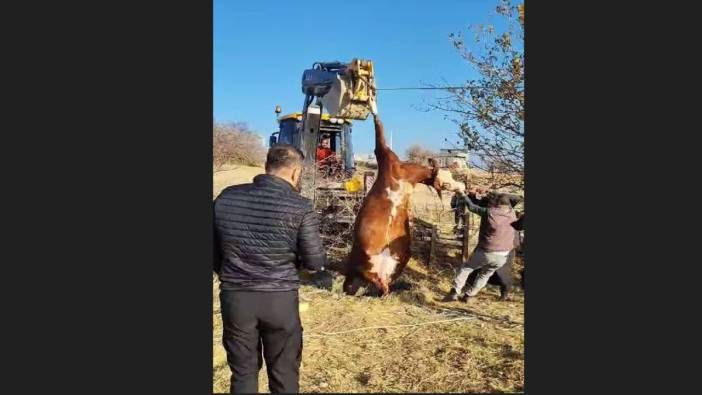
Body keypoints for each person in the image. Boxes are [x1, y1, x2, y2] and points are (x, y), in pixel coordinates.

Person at [214, 144, 326, 394]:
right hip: (280, 300)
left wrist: (230, 274)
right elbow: (315, 262)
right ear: (296, 173)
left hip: (236, 299)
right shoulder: (300, 206)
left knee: (243, 372)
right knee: (284, 372)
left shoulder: (226, 197)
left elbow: (214, 252)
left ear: (267, 167)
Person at [443, 190, 517, 303]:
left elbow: (472, 207)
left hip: (486, 251)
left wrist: (463, 195)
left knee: (466, 269)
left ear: (497, 204)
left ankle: (454, 292)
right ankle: (469, 295)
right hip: (503, 256)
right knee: (484, 275)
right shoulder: (512, 214)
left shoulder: (489, 212)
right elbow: (516, 198)